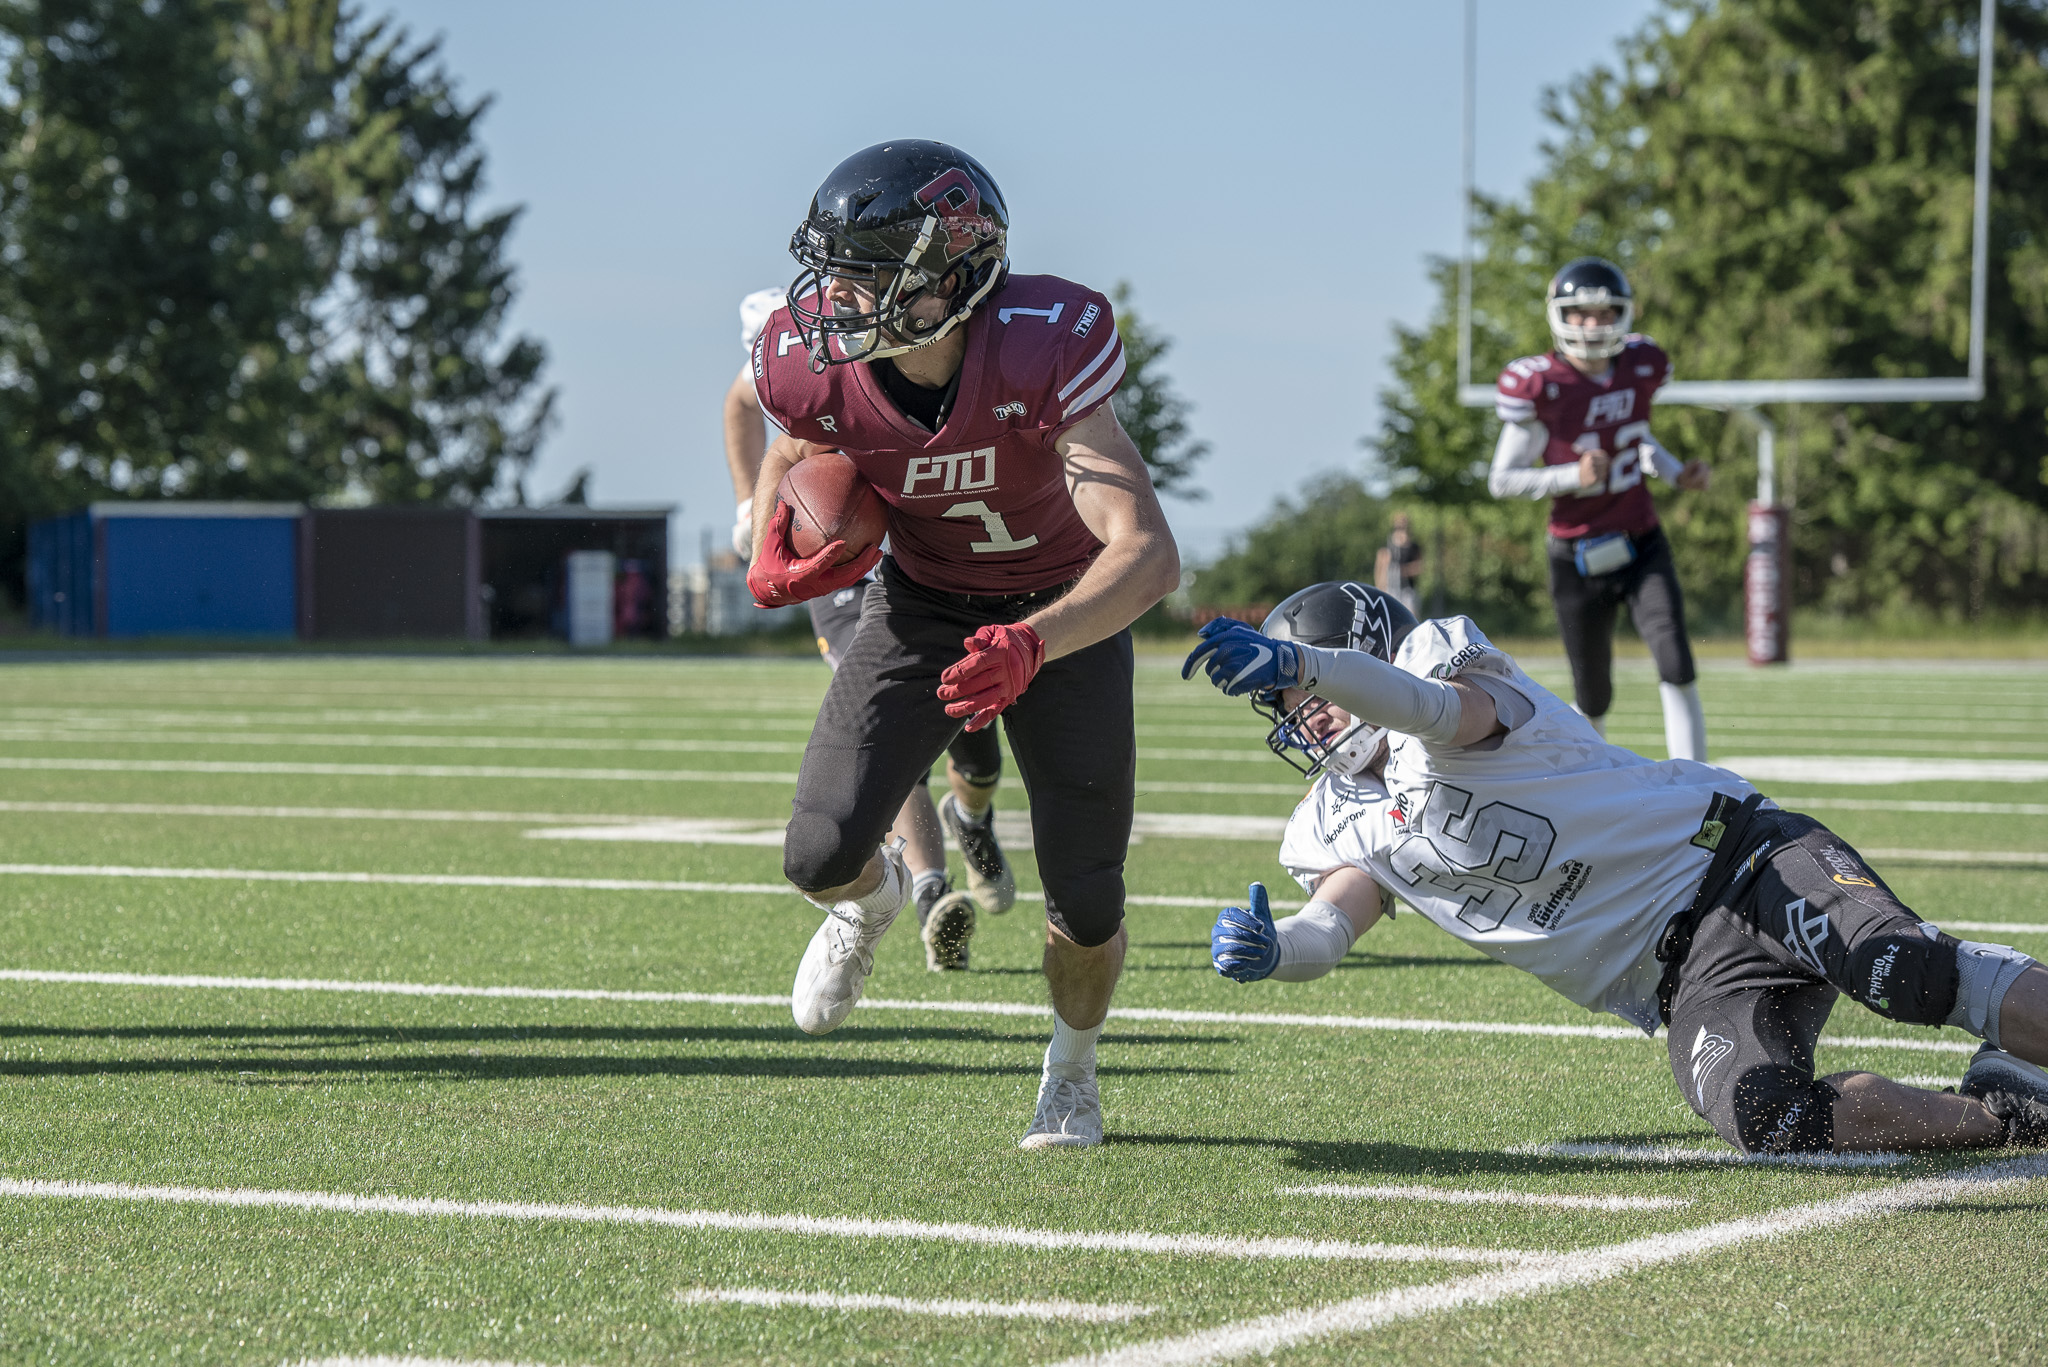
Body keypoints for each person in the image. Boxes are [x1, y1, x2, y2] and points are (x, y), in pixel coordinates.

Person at [1181, 584, 2048, 1157]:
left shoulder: (1443, 675)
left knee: (1903, 970)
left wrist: (1313, 662)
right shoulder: (1332, 818)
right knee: (1772, 1122)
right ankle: (2005, 1106)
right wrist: (1278, 947)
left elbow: (1443, 712)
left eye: (1316, 692)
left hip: (1738, 863)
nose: (1311, 718)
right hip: (1678, 978)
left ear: (1365, 656)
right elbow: (1332, 923)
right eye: (1294, 706)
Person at [745, 140, 1180, 1149]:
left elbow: (1148, 556)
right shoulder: (806, 361)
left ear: (952, 268)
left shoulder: (1044, 340)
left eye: (863, 267)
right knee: (817, 852)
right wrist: (776, 532)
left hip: (1063, 613)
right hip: (924, 601)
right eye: (831, 265)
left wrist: (1032, 643)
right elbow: (796, 443)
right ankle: (871, 902)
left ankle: (1069, 1072)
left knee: (1085, 895)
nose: (834, 294)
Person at [724, 289, 1017, 970]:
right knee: (884, 716)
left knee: (975, 737)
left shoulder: (911, 329)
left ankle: (970, 816)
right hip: (843, 552)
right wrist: (750, 503)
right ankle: (931, 891)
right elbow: (744, 406)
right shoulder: (794, 337)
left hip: (931, 555)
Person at [1489, 257, 1713, 762]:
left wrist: (1675, 472)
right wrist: (1573, 476)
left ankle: (1698, 783)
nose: (1593, 325)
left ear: (1622, 315)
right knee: (1592, 693)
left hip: (1640, 541)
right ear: (1560, 315)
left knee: (1676, 663)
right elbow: (1501, 479)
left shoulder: (1639, 367)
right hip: (1576, 552)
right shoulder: (1545, 387)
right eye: (1581, 314)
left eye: (1604, 312)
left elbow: (1638, 439)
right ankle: (1591, 785)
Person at [1373, 512, 1422, 618]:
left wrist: (1403, 571)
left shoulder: (1413, 546)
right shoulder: (1387, 545)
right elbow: (1380, 568)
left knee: (1411, 617)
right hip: (1390, 588)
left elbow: (1419, 567)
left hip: (1407, 589)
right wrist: (1379, 588)